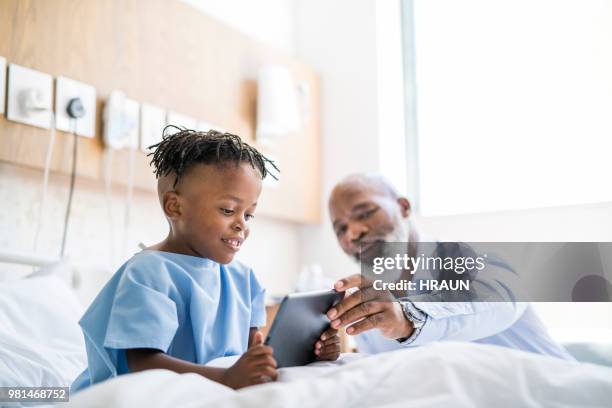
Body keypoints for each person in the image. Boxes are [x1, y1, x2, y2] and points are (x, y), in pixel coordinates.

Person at [72, 128, 340, 392]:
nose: (242, 226)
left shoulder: (244, 280)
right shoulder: (149, 274)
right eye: (228, 210)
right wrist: (225, 379)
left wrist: (311, 352)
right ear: (175, 206)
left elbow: (251, 359)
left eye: (248, 215)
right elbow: (142, 364)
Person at [326, 173, 573, 359]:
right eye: (341, 229)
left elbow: (500, 299)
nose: (354, 233)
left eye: (365, 213)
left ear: (403, 207)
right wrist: (328, 362)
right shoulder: (368, 305)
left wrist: (408, 316)